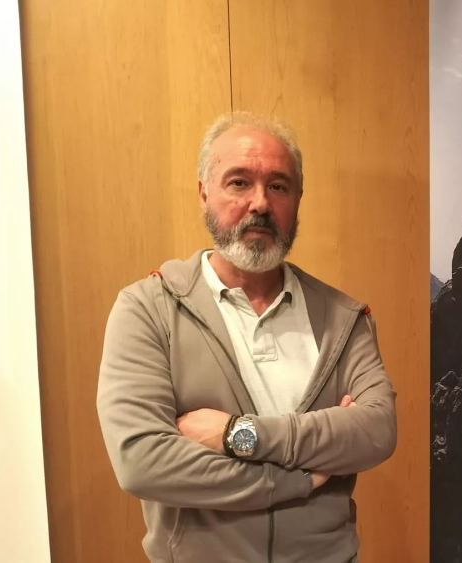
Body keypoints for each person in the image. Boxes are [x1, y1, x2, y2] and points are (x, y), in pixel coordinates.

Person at [96, 111, 397, 563]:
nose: (260, 203)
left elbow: (376, 430)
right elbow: (142, 462)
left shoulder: (343, 317)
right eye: (239, 182)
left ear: (297, 198)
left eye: (278, 186)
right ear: (204, 193)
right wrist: (298, 478)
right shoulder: (148, 309)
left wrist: (237, 433)